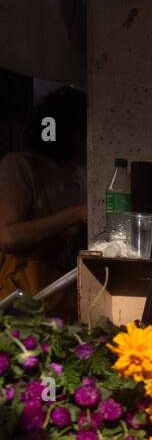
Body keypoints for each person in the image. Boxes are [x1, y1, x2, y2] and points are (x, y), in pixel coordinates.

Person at [0, 86, 86, 318]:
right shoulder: (19, 166)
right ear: (75, 134)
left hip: (57, 297)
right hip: (19, 303)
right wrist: (74, 215)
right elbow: (8, 237)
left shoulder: (77, 178)